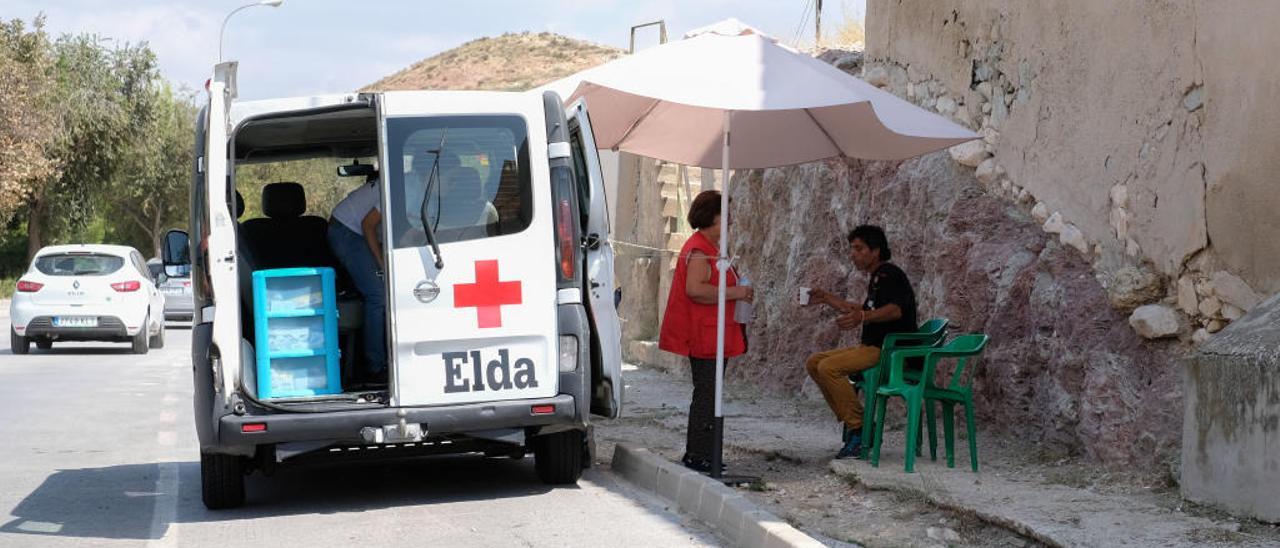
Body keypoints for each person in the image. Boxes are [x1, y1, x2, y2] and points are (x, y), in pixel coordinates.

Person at [658, 190, 754, 473]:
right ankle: (698, 454)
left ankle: (705, 452)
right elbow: (695, 290)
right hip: (705, 335)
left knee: (710, 393)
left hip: (715, 332)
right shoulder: (699, 250)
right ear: (714, 217)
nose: (731, 220)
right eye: (727, 215)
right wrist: (736, 291)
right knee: (707, 394)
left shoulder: (712, 248)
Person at [804, 225, 918, 459]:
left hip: (888, 350)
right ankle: (855, 421)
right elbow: (862, 309)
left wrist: (863, 317)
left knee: (829, 367)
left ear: (875, 251)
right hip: (872, 348)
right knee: (814, 362)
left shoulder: (889, 274)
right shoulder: (878, 277)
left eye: (859, 249)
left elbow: (894, 310)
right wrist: (826, 297)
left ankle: (859, 428)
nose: (853, 254)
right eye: (852, 249)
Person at [327, 178, 386, 384]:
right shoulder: (409, 187)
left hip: (355, 229)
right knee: (378, 296)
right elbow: (368, 225)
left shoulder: (412, 183)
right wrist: (381, 263)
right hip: (348, 231)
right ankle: (376, 368)